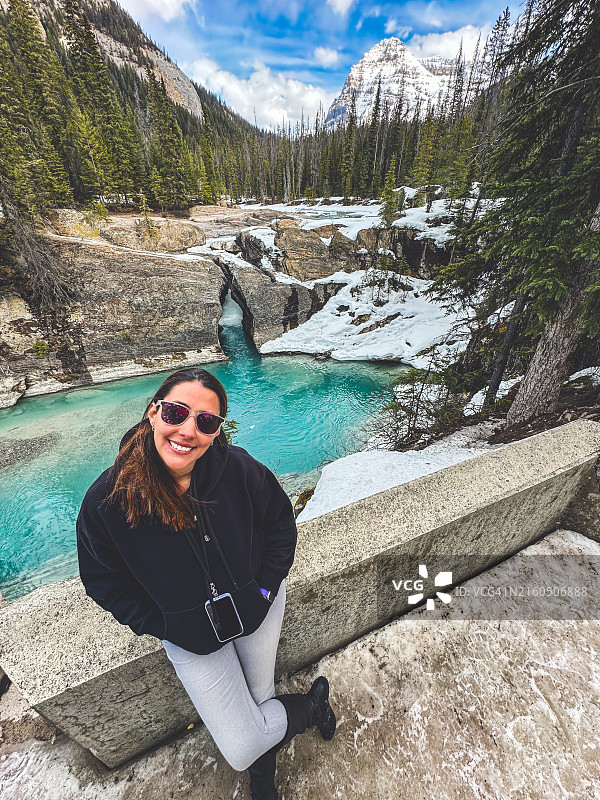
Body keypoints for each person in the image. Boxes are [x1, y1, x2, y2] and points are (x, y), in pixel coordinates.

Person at [76, 367, 336, 799]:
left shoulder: (238, 469)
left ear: (216, 432)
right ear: (152, 412)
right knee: (241, 744)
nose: (187, 429)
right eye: (177, 412)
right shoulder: (107, 500)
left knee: (259, 696)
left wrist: (264, 590)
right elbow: (104, 583)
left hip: (258, 607)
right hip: (189, 635)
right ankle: (308, 708)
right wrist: (167, 626)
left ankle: (262, 786)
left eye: (206, 421)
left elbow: (280, 527)